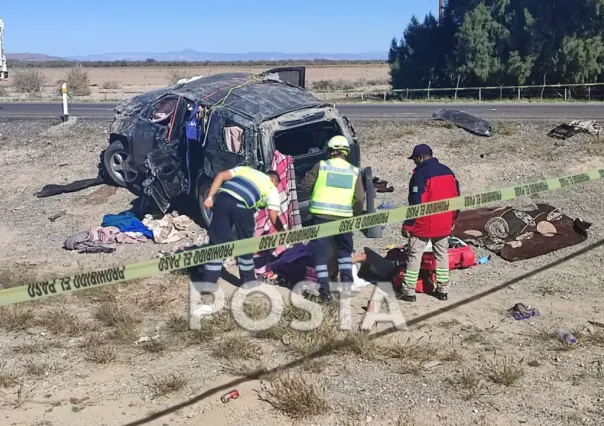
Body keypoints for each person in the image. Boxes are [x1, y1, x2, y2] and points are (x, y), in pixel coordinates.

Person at [299, 135, 365, 303]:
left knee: (320, 255)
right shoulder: (353, 171)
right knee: (344, 253)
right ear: (345, 152)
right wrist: (355, 214)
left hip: (321, 217)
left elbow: (304, 186)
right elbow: (359, 198)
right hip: (344, 219)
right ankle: (347, 287)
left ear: (331, 151)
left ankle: (325, 292)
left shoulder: (321, 166)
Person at [199, 166, 284, 286]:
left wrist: (210, 197)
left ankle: (208, 282)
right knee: (245, 245)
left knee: (216, 242)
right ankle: (247, 282)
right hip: (242, 206)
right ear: (275, 182)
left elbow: (221, 175)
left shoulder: (247, 170)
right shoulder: (271, 187)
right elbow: (273, 215)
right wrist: (282, 231)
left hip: (223, 199)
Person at [400, 143, 460, 302]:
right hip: (444, 222)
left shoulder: (420, 174)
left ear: (420, 158)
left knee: (414, 256)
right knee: (442, 256)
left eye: (414, 159)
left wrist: (408, 224)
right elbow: (457, 198)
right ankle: (443, 290)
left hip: (423, 224)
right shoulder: (448, 172)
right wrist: (453, 219)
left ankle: (409, 292)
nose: (414, 162)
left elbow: (415, 202)